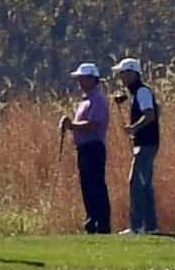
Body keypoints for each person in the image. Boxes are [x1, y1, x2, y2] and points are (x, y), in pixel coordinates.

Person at [59, 63, 111, 234]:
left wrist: (72, 126)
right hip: (84, 148)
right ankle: (91, 220)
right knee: (87, 185)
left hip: (94, 147)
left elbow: (93, 124)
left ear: (91, 79)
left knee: (95, 185)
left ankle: (101, 223)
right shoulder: (87, 100)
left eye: (82, 78)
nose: (79, 82)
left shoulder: (98, 99)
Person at [112, 58, 160, 235]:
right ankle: (151, 226)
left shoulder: (142, 91)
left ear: (133, 73)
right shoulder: (137, 92)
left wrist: (133, 128)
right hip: (146, 143)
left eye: (123, 73)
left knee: (136, 183)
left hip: (146, 144)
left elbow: (150, 115)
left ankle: (137, 226)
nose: (121, 77)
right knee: (145, 184)